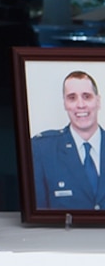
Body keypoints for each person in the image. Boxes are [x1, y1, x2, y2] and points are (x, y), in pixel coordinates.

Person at [31, 70, 105, 211]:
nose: (80, 104)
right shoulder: (42, 149)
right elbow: (39, 215)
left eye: (87, 96)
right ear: (65, 103)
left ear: (98, 101)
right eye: (72, 98)